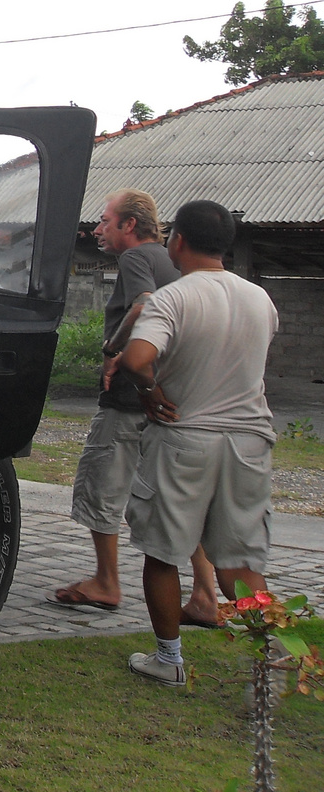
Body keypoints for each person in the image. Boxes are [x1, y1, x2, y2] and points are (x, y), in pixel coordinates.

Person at [118, 200, 279, 686]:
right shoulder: (260, 300)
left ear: (178, 241)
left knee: (164, 553)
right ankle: (272, 658)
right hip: (250, 443)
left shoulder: (173, 297)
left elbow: (136, 356)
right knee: (238, 561)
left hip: (185, 439)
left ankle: (169, 660)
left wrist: (149, 389)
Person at [52, 190, 217, 623]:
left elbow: (144, 303)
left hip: (129, 398)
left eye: (106, 221)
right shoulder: (174, 263)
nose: (97, 229)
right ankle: (205, 592)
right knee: (173, 496)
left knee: (102, 483)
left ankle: (107, 581)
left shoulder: (136, 258)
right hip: (167, 399)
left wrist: (113, 349)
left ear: (129, 225)